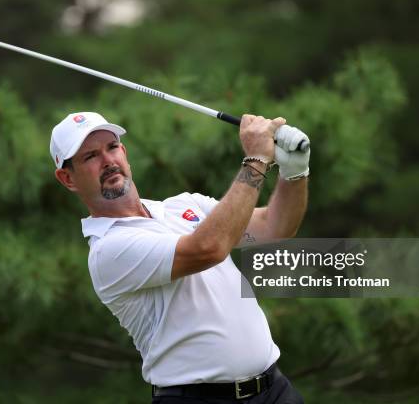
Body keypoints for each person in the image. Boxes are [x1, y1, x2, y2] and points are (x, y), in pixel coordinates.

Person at [51, 111, 309, 403]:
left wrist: (294, 172)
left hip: (275, 391)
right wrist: (257, 160)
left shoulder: (184, 205)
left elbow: (276, 227)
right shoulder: (109, 249)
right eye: (90, 157)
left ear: (124, 152)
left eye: (111, 148)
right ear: (68, 178)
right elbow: (208, 248)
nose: (108, 161)